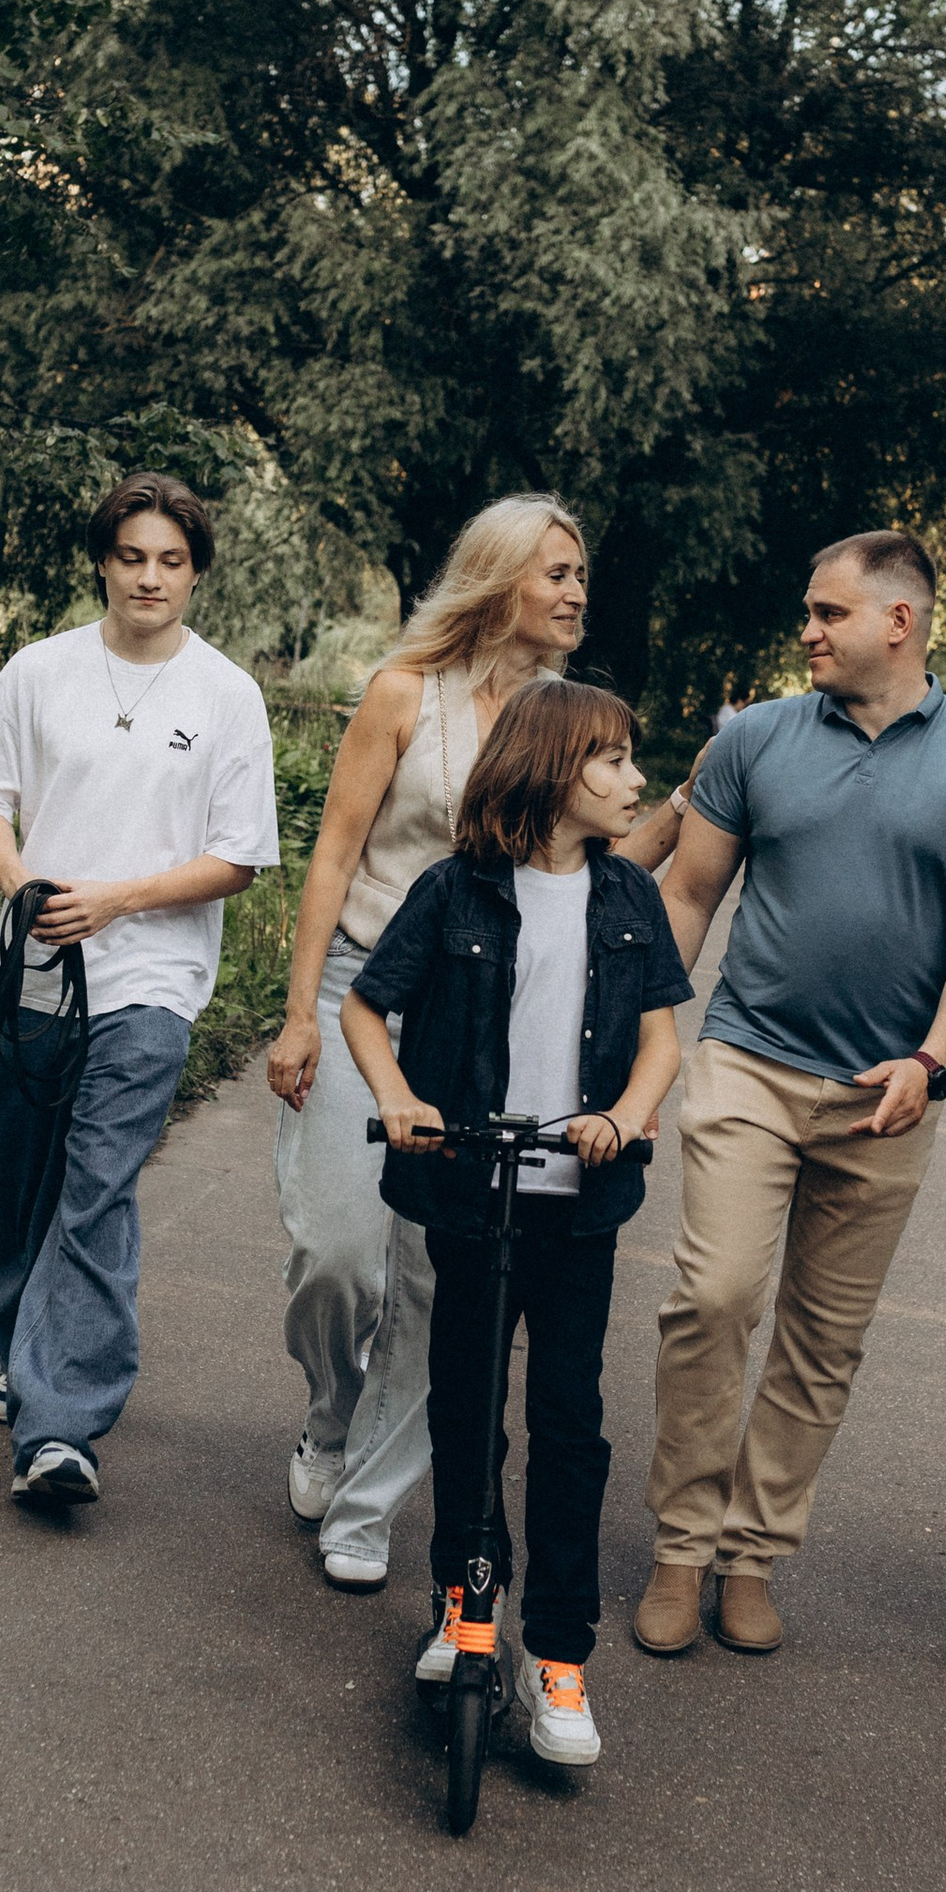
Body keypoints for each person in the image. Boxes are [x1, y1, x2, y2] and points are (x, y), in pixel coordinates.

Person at [637, 529, 946, 1658]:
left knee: (825, 1337)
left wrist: (930, 1062)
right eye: (809, 614)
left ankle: (751, 1552)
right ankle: (679, 1545)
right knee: (715, 1297)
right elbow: (689, 891)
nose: (806, 631)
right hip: (750, 1061)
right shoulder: (756, 736)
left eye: (827, 614)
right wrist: (652, 1041)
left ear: (897, 623)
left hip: (886, 1095)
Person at [342, 681, 690, 1766]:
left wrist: (624, 1121)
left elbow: (661, 1044)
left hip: (577, 1212)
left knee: (570, 1428)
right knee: (467, 1411)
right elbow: (364, 1004)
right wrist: (398, 1099)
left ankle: (558, 1657)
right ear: (552, 769)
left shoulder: (629, 896)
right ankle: (462, 1604)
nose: (637, 780)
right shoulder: (454, 893)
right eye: (616, 760)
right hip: (470, 1196)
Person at [265, 496, 591, 1591]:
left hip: (478, 1019)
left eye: (579, 571)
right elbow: (333, 856)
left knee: (434, 1284)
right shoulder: (403, 694)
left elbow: (595, 861)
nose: (574, 589)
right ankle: (326, 1416)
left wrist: (698, 801)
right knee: (338, 1255)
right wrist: (296, 1008)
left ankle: (363, 1507)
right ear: (498, 579)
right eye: (554, 571)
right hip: (361, 991)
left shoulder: (566, 719)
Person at [0, 472, 280, 1507]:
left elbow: (238, 857)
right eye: (132, 556)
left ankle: (62, 1427)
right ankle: (22, 1359)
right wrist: (25, 887)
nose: (150, 577)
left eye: (171, 561)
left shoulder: (226, 695)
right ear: (103, 560)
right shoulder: (39, 672)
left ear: (196, 573)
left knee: (96, 1191)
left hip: (153, 982)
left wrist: (120, 900)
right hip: (37, 971)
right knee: (32, 1185)